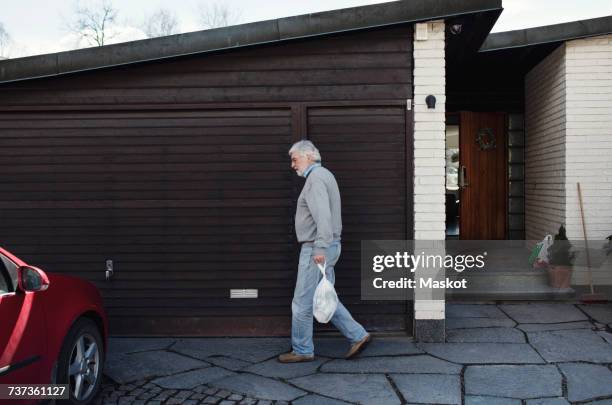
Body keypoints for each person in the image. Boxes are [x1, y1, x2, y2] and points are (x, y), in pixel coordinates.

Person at [278, 140, 371, 363]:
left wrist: (319, 246)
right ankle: (357, 335)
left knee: (302, 302)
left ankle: (301, 350)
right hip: (327, 246)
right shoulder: (324, 175)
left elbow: (323, 216)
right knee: (325, 296)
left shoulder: (316, 178)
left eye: (294, 159)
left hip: (316, 248)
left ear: (308, 156)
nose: (292, 164)